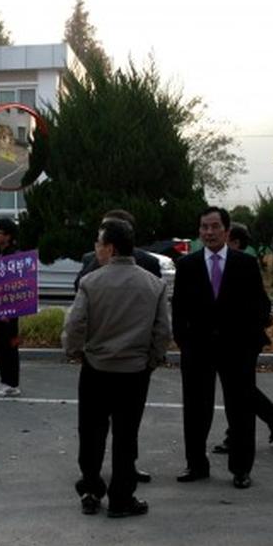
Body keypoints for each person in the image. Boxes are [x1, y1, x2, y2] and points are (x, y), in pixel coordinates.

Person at [63, 219, 171, 518]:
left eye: (99, 243)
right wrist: (151, 360)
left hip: (96, 368)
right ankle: (121, 498)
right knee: (126, 436)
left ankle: (90, 488)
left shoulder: (91, 282)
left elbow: (75, 325)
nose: (96, 248)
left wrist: (75, 352)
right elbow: (163, 331)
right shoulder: (154, 284)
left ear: (110, 248)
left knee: (91, 432)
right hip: (134, 371)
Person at [172, 206, 271, 489]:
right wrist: (184, 341)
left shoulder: (245, 264)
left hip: (237, 350)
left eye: (215, 226)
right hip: (197, 350)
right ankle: (196, 464)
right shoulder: (187, 265)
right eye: (204, 227)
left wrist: (249, 341)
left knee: (240, 410)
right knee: (195, 409)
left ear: (227, 231)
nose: (209, 232)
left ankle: (241, 468)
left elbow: (261, 306)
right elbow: (178, 309)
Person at [211, 222, 273, 458]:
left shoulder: (242, 265)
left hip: (241, 341)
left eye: (224, 236)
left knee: (239, 390)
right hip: (236, 340)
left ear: (234, 242)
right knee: (239, 389)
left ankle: (245, 434)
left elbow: (258, 304)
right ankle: (270, 421)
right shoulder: (229, 264)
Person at [73, 210, 162, 290]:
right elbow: (79, 287)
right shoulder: (90, 259)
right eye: (102, 227)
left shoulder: (148, 262)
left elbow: (155, 290)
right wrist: (98, 261)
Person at [0, 218, 23, 398]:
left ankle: (12, 383)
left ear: (8, 236)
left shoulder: (15, 256)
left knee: (10, 346)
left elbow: (18, 285)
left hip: (10, 311)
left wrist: (9, 310)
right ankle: (4, 380)